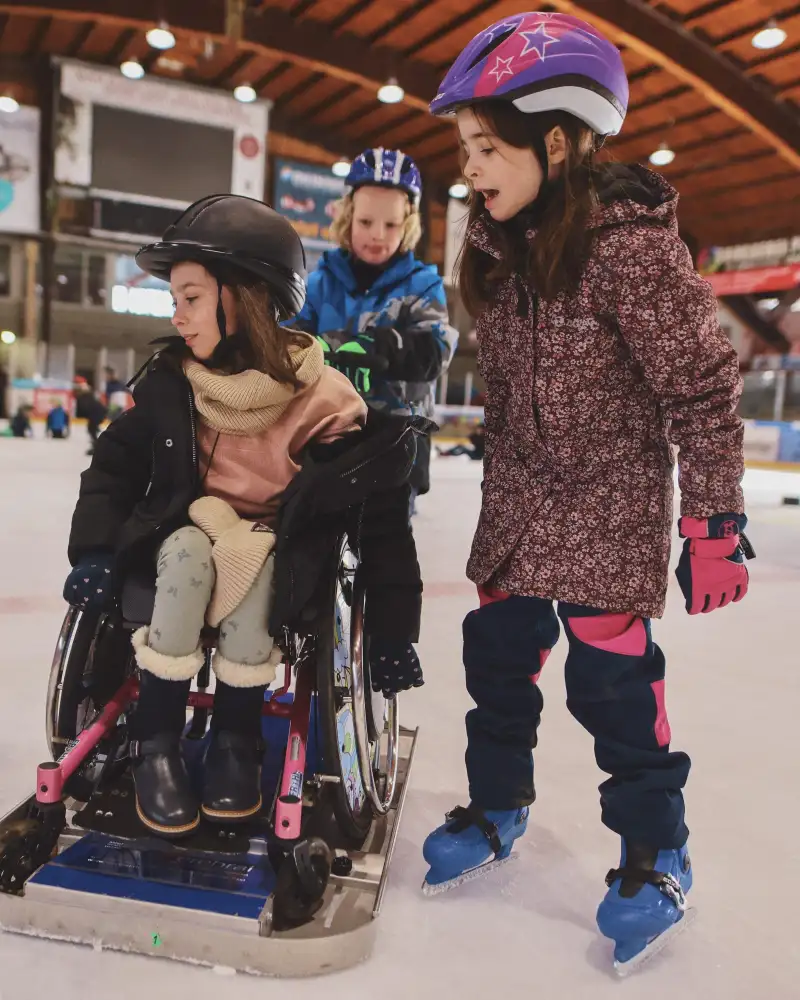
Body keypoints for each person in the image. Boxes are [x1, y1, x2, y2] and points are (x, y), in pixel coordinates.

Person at [421, 12, 753, 974]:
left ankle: (657, 852)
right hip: (519, 508)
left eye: (489, 145)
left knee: (612, 692)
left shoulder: (629, 247)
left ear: (556, 139)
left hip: (609, 511)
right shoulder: (500, 244)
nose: (473, 167)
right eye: (466, 148)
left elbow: (701, 384)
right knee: (496, 668)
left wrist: (713, 521)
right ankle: (499, 807)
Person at [64, 195, 425, 839]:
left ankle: (235, 741)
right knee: (184, 554)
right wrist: (94, 551)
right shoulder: (174, 382)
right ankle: (157, 746)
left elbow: (381, 517)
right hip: (185, 534)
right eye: (175, 301)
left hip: (280, 548)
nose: (177, 317)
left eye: (191, 298)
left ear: (245, 296)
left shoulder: (324, 399)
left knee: (259, 571)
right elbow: (112, 470)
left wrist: (394, 630)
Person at [290, 147, 459, 510]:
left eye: (391, 225)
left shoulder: (422, 286)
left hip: (395, 441)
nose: (378, 235)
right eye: (366, 222)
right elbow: (288, 344)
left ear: (408, 225)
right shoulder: (320, 284)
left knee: (384, 551)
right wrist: (320, 349)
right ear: (348, 217)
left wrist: (381, 347)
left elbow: (436, 351)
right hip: (327, 436)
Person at [74, 377, 108, 455]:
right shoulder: (86, 395)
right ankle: (96, 445)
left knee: (91, 429)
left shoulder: (85, 396)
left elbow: (85, 408)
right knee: (91, 429)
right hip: (97, 414)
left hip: (97, 414)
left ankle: (97, 446)